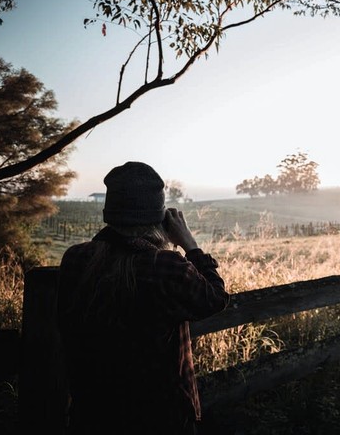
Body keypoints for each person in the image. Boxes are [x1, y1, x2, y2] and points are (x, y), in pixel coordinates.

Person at [57, 161, 230, 434]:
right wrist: (190, 245)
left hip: (93, 413)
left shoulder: (75, 259)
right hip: (159, 417)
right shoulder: (165, 266)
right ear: (159, 218)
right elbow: (215, 299)